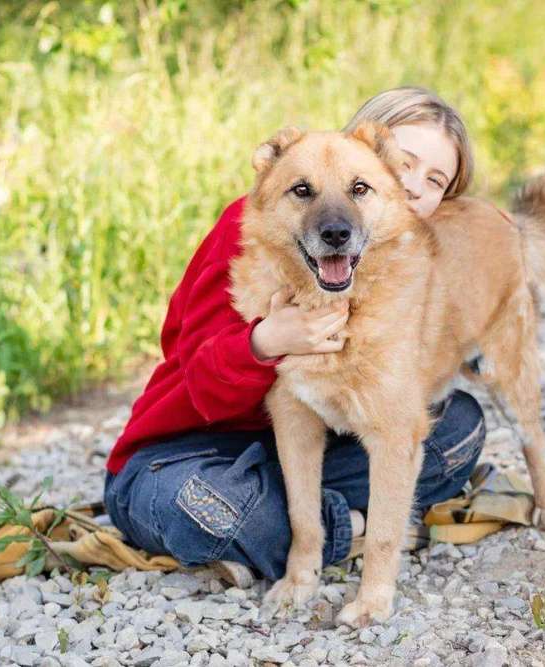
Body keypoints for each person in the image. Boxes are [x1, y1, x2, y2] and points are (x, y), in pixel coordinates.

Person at [102, 86, 486, 585]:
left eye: (434, 180)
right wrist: (264, 341)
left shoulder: (402, 258)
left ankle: (294, 530)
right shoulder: (249, 230)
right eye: (402, 161)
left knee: (459, 427)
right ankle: (345, 527)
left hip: (306, 457)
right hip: (190, 454)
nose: (410, 184)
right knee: (204, 506)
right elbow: (196, 382)